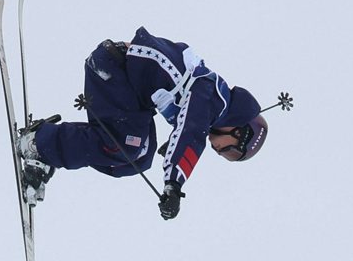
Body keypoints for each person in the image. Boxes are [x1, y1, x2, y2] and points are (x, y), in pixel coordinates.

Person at [17, 27, 268, 220]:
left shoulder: (212, 102)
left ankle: (51, 148)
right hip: (112, 68)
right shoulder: (212, 98)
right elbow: (191, 133)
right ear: (240, 131)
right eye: (230, 151)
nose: (220, 151)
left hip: (126, 87)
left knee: (139, 157)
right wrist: (173, 185)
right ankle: (39, 145)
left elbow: (188, 123)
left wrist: (173, 146)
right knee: (125, 146)